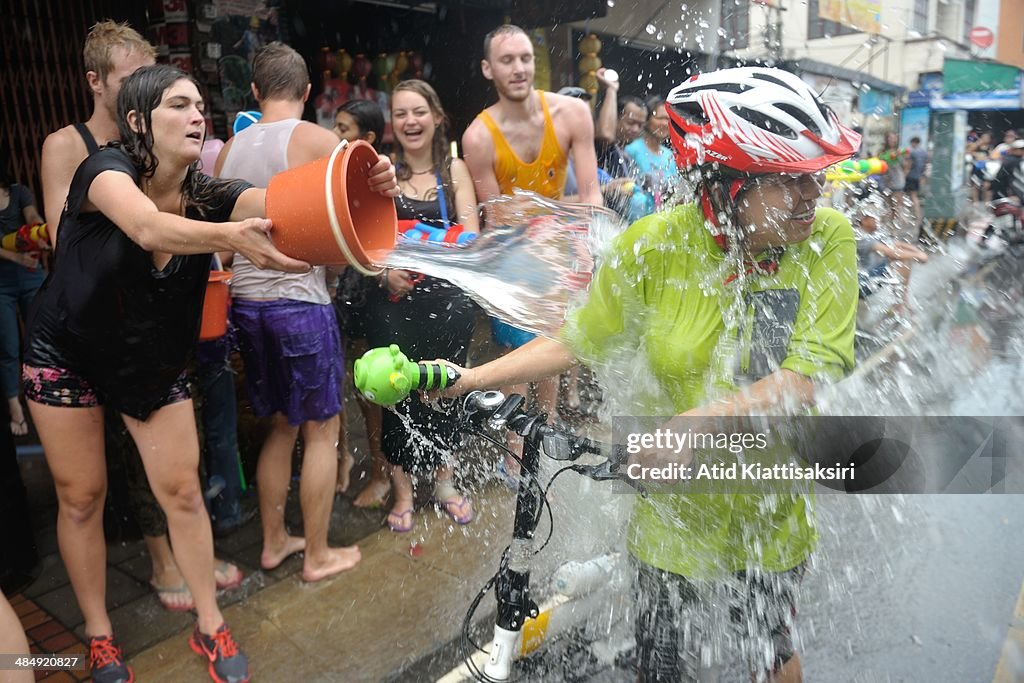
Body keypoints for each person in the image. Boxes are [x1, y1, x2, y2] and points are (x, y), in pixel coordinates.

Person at [441, 66, 861, 682]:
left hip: (766, 509)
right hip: (672, 516)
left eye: (814, 179)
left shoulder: (828, 239)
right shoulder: (655, 245)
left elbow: (804, 378)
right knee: (661, 667)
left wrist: (692, 425)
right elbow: (579, 339)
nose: (813, 196)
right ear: (727, 184)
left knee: (770, 657)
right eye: (790, 182)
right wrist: (465, 378)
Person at [23, 63, 309, 683]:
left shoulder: (206, 190)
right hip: (66, 350)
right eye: (178, 106)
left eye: (200, 105)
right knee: (80, 498)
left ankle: (210, 624)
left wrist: (358, 189)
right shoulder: (103, 172)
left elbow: (274, 202)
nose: (197, 115)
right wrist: (231, 233)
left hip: (149, 355)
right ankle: (100, 637)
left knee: (181, 491)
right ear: (137, 122)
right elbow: (148, 226)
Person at [38, 19, 242, 617]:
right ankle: (134, 587)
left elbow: (233, 200)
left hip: (147, 339)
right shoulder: (76, 151)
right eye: (134, 84)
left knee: (175, 476)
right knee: (84, 491)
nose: (144, 93)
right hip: (80, 338)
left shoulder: (180, 164)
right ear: (98, 85)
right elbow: (67, 247)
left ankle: (189, 590)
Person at [214, 42, 397, 582]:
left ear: (254, 91)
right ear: (308, 92)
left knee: (278, 427)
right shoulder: (319, 140)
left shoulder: (227, 152)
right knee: (321, 430)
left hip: (247, 304)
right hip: (300, 305)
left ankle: (274, 542)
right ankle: (316, 553)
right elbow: (354, 219)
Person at [461, 24, 602, 482]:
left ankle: (545, 432)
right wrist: (550, 217)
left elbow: (593, 200)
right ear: (488, 68)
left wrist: (545, 220)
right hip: (512, 262)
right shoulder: (479, 138)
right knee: (515, 359)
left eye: (525, 58)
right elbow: (495, 218)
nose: (519, 68)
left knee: (554, 355)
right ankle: (514, 452)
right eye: (507, 60)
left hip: (562, 255)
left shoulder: (572, 113)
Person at [360, 79, 480, 533]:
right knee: (396, 392)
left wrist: (441, 254)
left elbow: (471, 237)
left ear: (436, 116)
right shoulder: (381, 173)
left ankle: (445, 482)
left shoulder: (455, 171)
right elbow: (366, 243)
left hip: (448, 303)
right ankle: (403, 489)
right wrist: (383, 273)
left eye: (418, 112)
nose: (411, 122)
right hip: (393, 303)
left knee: (446, 389)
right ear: (393, 123)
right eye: (401, 114)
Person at [331, 99, 391, 505]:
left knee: (381, 386)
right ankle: (373, 468)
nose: (336, 137)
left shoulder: (380, 176)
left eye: (344, 129)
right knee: (358, 386)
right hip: (349, 290)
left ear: (367, 139)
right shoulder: (336, 172)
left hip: (377, 291)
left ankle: (389, 473)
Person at [0, 172, 45, 437]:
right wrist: (18, 258)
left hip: (31, 276)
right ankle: (14, 404)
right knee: (8, 346)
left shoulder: (19, 193)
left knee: (39, 339)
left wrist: (38, 230)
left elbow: (32, 217)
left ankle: (43, 398)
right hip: (2, 282)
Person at [623, 96, 678, 221]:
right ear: (647, 120)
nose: (665, 123)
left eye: (668, 119)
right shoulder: (633, 150)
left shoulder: (670, 156)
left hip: (663, 221)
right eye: (660, 118)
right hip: (635, 221)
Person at [856, 211, 928, 299]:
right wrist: (918, 256)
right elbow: (892, 253)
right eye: (874, 218)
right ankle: (898, 303)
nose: (879, 219)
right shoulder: (861, 239)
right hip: (863, 284)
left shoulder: (874, 234)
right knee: (900, 258)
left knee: (903, 258)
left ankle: (902, 300)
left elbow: (895, 244)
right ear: (864, 221)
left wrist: (915, 250)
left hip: (875, 274)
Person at [904, 136, 928, 227]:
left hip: (910, 176)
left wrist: (904, 175)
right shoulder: (924, 152)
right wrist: (922, 176)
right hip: (918, 176)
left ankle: (917, 216)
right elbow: (925, 165)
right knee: (914, 196)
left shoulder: (912, 152)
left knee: (912, 196)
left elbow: (908, 165)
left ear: (913, 142)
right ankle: (916, 215)